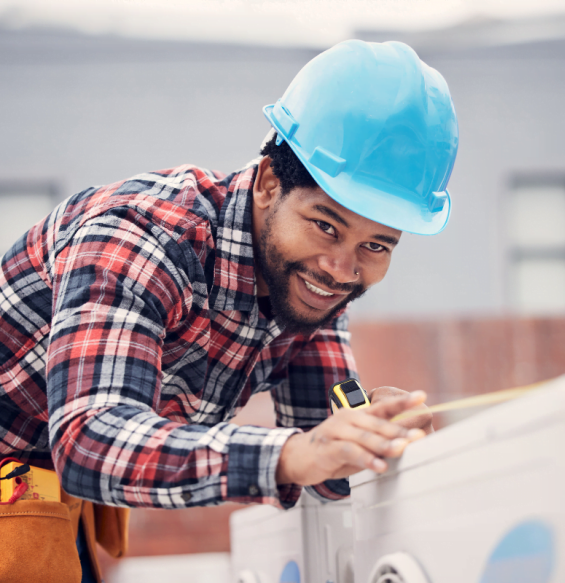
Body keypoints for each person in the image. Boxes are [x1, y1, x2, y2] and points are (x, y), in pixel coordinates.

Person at [0, 40, 458, 580]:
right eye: (325, 225)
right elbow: (91, 441)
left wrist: (369, 439)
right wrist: (290, 455)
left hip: (43, 493)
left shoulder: (314, 287)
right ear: (269, 184)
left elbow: (324, 467)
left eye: (375, 246)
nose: (340, 268)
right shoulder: (144, 239)